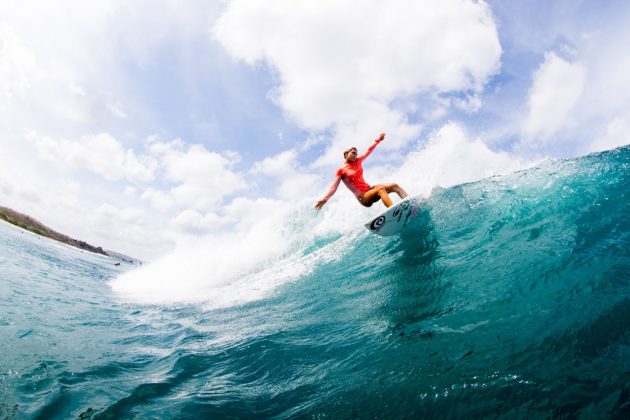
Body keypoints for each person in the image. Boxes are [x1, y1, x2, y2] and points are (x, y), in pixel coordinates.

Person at [314, 133, 408, 211]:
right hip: (363, 197)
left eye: (356, 153)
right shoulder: (341, 170)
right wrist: (325, 199)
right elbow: (333, 187)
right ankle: (395, 212)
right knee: (381, 189)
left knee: (394, 185)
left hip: (369, 189)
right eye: (353, 153)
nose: (355, 155)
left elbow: (368, 151)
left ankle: (410, 203)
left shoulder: (358, 161)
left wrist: (378, 140)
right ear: (346, 154)